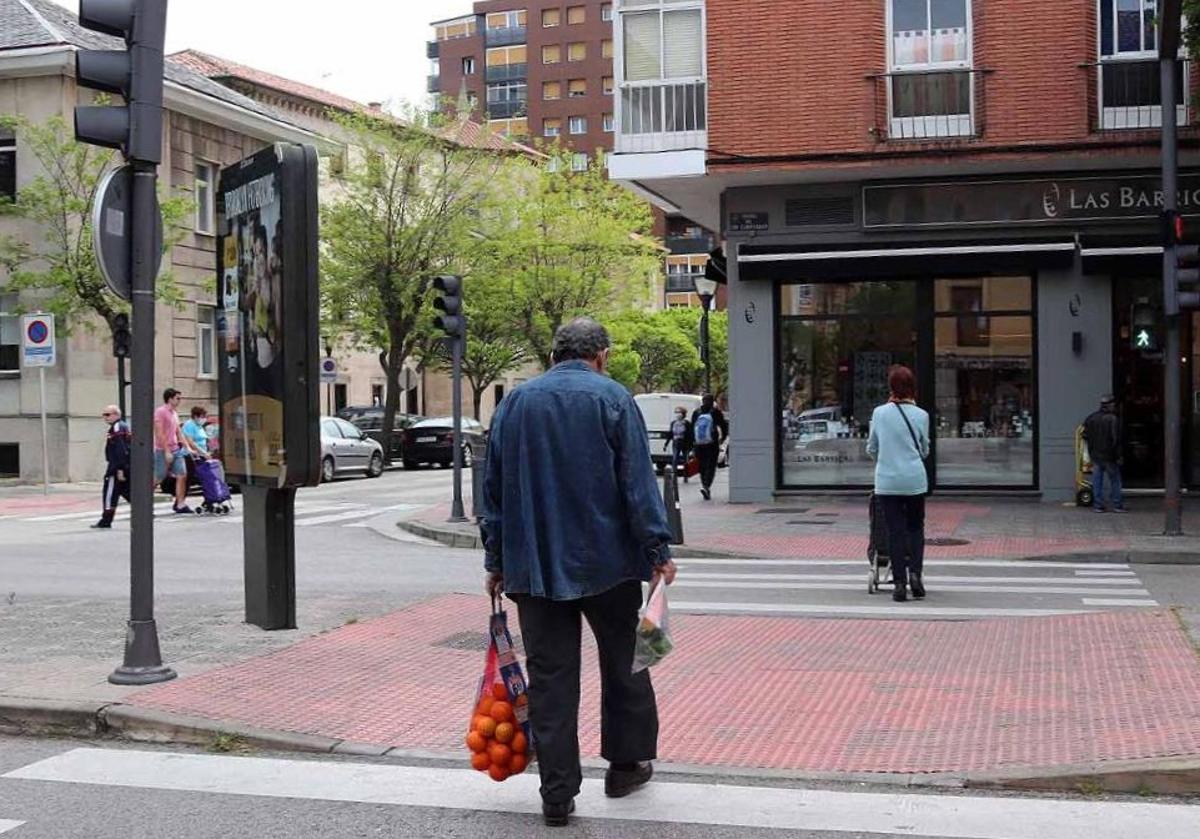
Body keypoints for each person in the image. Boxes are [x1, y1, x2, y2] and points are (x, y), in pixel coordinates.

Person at [481, 317, 678, 828]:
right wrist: (657, 549)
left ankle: (557, 793)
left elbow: (493, 491)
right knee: (625, 663)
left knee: (551, 678)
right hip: (608, 561)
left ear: (553, 355)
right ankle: (626, 764)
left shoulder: (515, 404)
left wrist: (496, 560)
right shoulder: (613, 399)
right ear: (602, 355)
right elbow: (637, 483)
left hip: (534, 564)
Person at [866, 365, 930, 603]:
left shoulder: (880, 414)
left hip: (887, 481)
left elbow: (871, 448)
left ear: (891, 387)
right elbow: (924, 449)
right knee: (915, 528)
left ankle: (899, 584)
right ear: (912, 387)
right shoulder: (922, 415)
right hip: (914, 479)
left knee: (894, 531)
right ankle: (916, 575)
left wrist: (885, 458)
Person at [154, 388, 201, 514]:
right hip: (162, 450)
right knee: (158, 477)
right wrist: (166, 451)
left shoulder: (174, 413)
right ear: (170, 399)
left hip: (176, 449)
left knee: (182, 475)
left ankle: (180, 504)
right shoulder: (160, 412)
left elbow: (178, 432)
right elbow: (159, 432)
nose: (179, 400)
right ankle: (143, 503)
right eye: (177, 398)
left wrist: (188, 448)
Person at [1083, 395, 1125, 513]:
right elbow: (1116, 439)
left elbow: (1084, 435)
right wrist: (1118, 455)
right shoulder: (1112, 419)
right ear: (1110, 405)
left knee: (1097, 481)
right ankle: (1117, 505)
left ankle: (1098, 505)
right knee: (1115, 480)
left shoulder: (1091, 418)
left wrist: (1091, 450)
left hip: (1096, 455)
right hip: (1109, 456)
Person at [91, 405, 131, 529]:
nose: (105, 417)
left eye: (108, 415)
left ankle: (106, 519)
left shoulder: (117, 427)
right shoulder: (122, 426)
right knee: (126, 491)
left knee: (110, 492)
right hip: (124, 465)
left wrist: (120, 468)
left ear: (116, 415)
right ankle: (144, 509)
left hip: (116, 467)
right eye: (104, 415)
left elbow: (121, 449)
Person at [691, 394, 729, 500]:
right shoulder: (716, 412)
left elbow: (692, 428)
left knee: (702, 466)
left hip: (699, 444)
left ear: (702, 401)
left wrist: (693, 443)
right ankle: (707, 486)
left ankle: (704, 484)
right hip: (712, 443)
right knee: (711, 466)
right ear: (713, 402)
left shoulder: (696, 413)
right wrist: (722, 438)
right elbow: (723, 426)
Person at [667, 406, 693, 482]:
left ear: (683, 414)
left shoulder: (687, 423)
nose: (678, 414)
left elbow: (690, 434)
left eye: (680, 413)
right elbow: (670, 434)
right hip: (676, 442)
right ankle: (674, 476)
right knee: (675, 459)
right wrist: (666, 444)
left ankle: (686, 476)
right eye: (676, 413)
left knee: (685, 460)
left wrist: (691, 445)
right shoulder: (673, 423)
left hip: (684, 443)